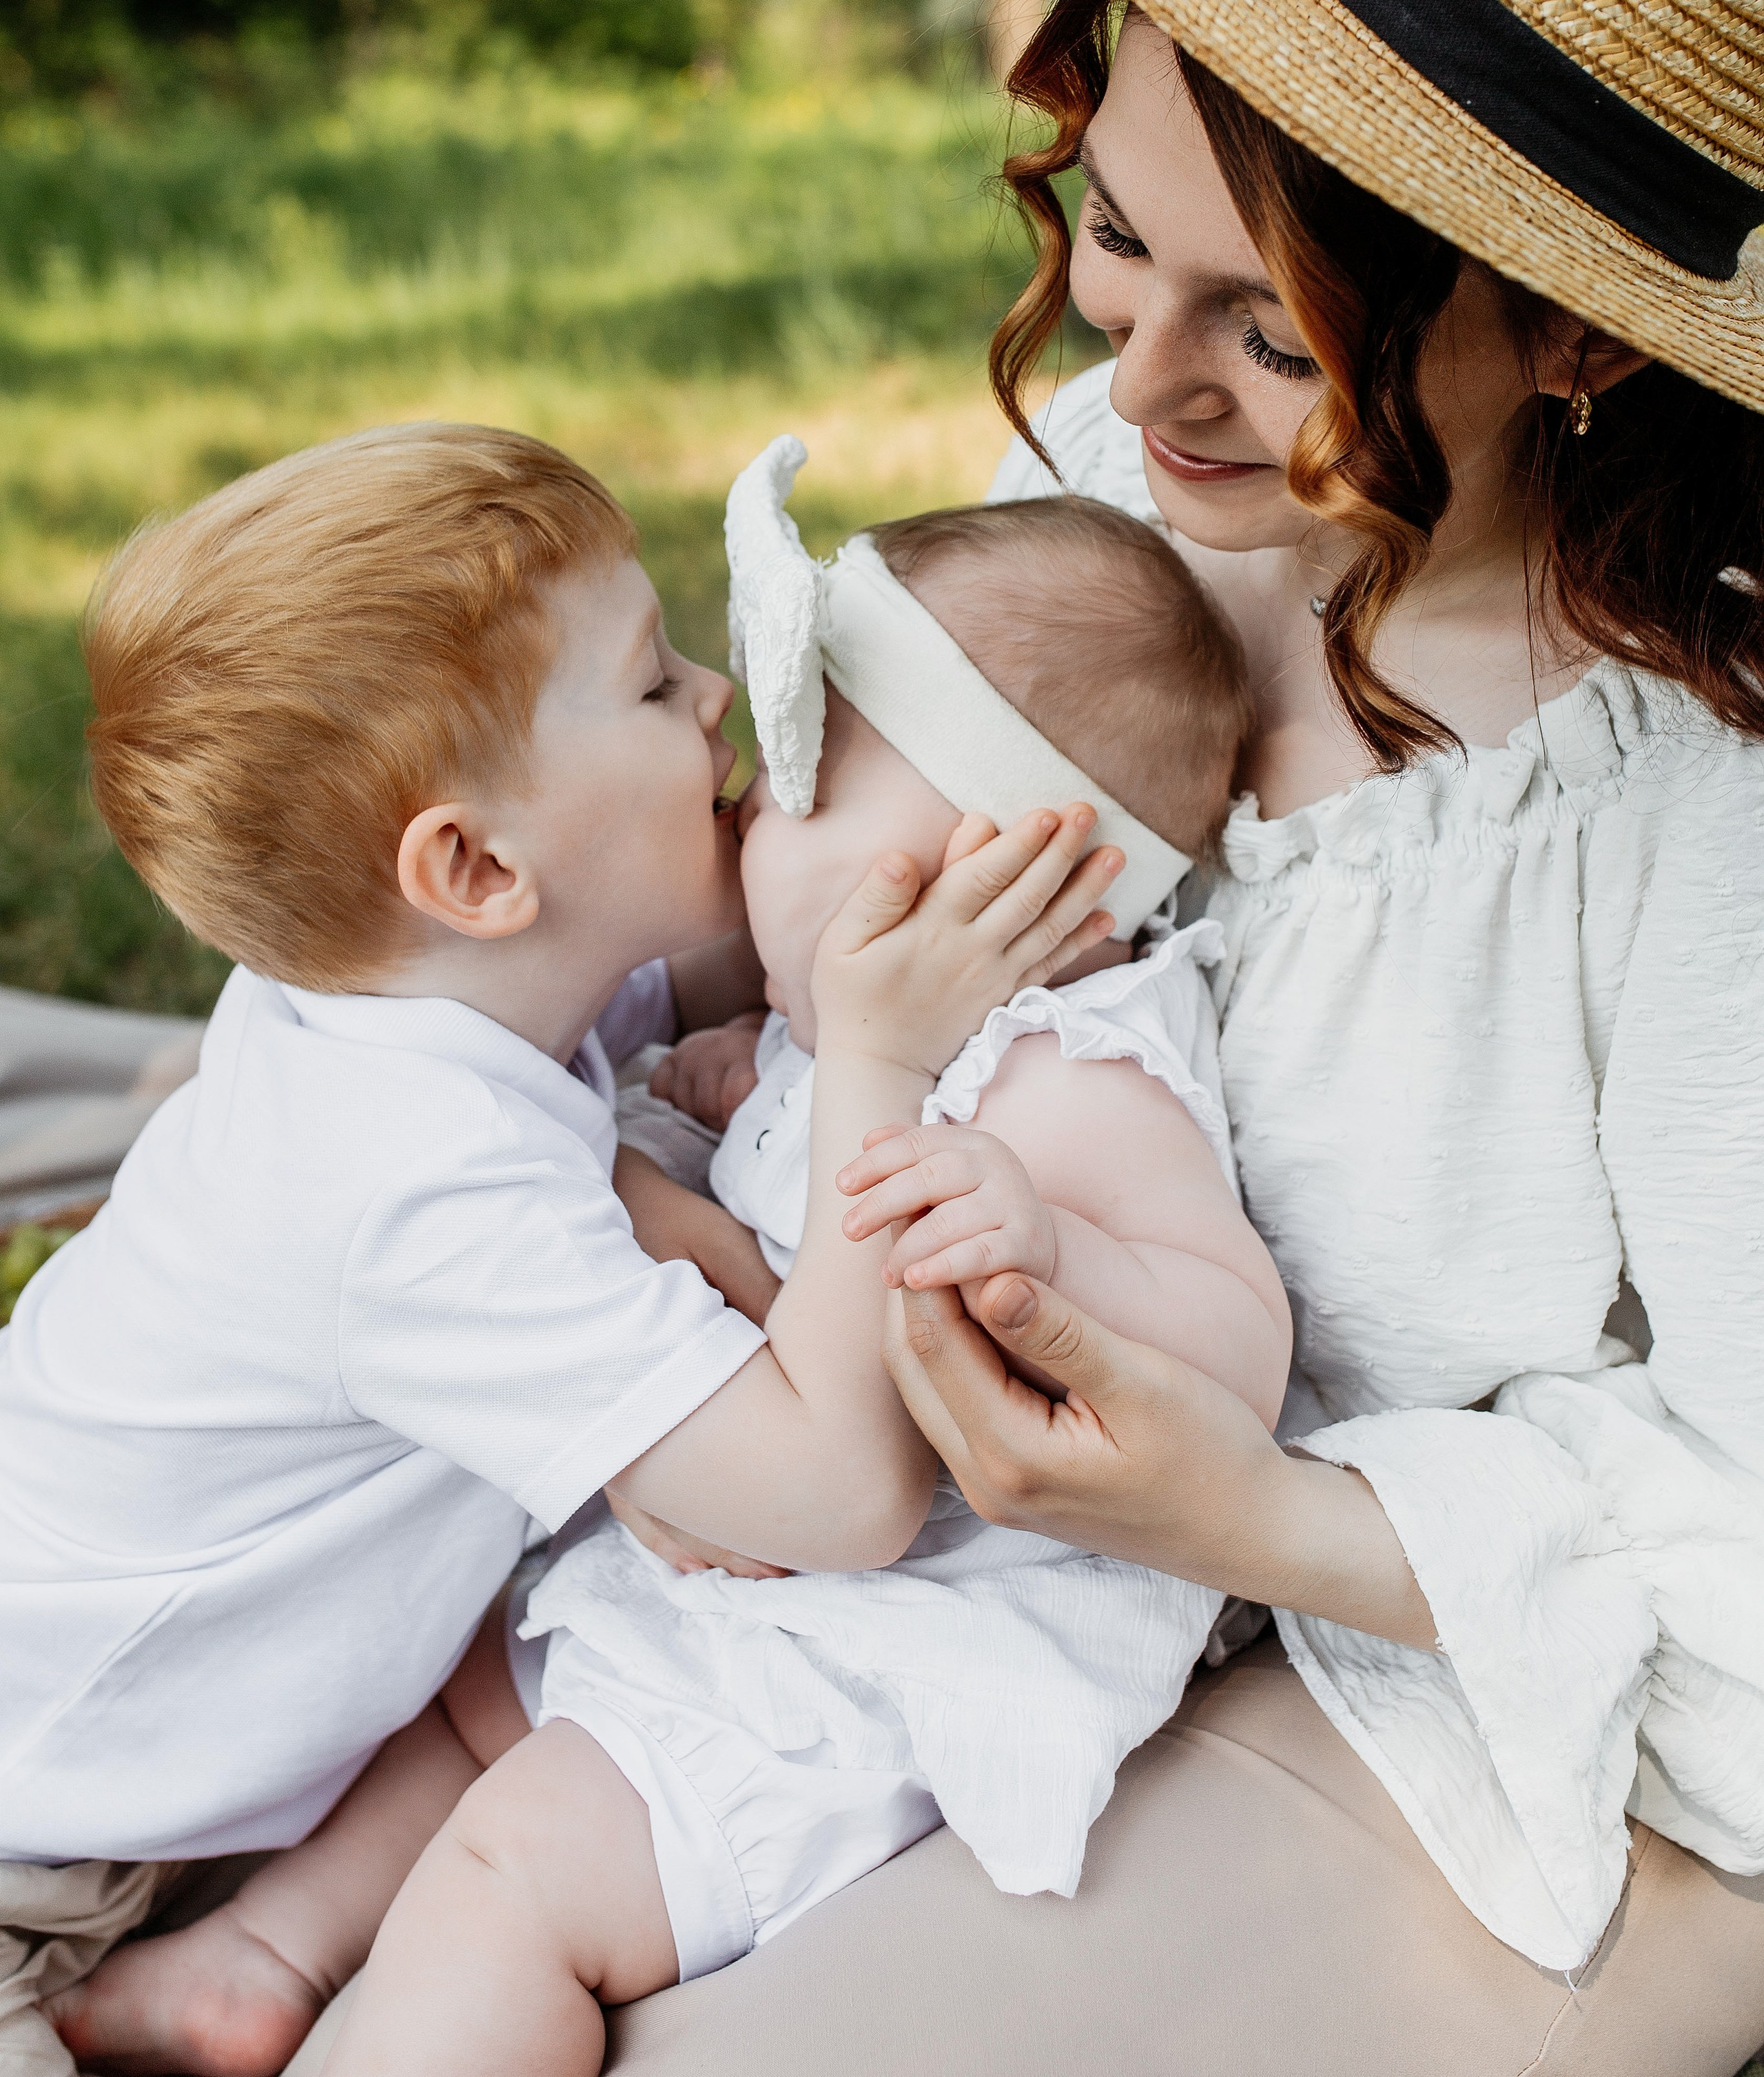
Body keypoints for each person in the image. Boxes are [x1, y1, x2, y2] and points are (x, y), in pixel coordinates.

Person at [572, 0, 1764, 2077]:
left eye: (1273, 331)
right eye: (1116, 239)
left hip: (1470, 1700)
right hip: (951, 1552)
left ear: (1574, 336)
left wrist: (1234, 1517)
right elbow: (807, 888)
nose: (1133, 380)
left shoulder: (1687, 803)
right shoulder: (1118, 501)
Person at [10, 420, 1116, 2077]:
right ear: (471, 867)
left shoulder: (410, 991)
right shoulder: (412, 1194)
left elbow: (672, 985)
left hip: (149, 1762)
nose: (713, 695)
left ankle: (244, 1967)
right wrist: (873, 1068)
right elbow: (837, 1499)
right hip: (44, 1833)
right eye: (652, 684)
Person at [291, 452, 1286, 2077]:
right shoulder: (844, 1031)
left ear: (1009, 873)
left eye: (808, 777)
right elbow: (793, 1168)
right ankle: (274, 1944)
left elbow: (1238, 1355)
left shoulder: (1065, 1075)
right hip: (728, 1581)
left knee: (514, 1870)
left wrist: (1058, 1251)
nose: (750, 795)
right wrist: (734, 1087)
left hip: (877, 1653)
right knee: (453, 1690)